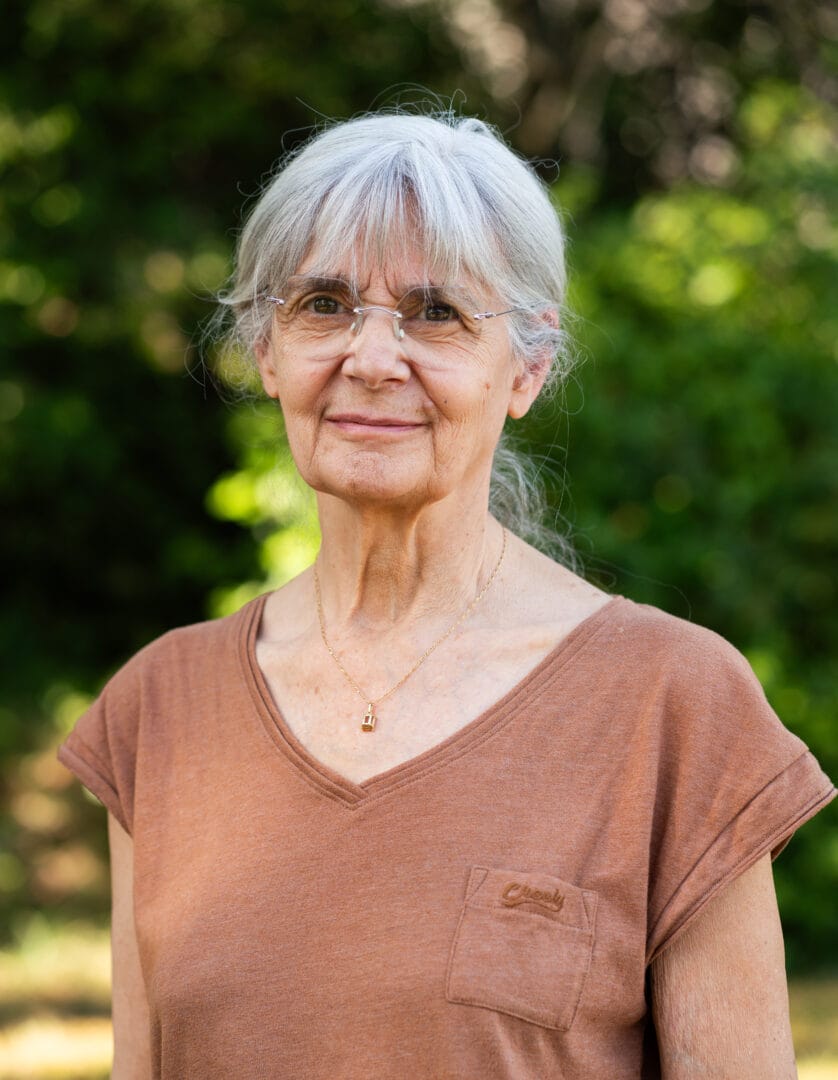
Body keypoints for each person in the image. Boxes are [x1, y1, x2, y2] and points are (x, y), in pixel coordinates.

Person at [59, 111, 834, 1080]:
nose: (372, 359)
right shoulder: (160, 710)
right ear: (267, 352)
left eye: (436, 314)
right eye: (325, 305)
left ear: (527, 369)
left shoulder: (672, 704)